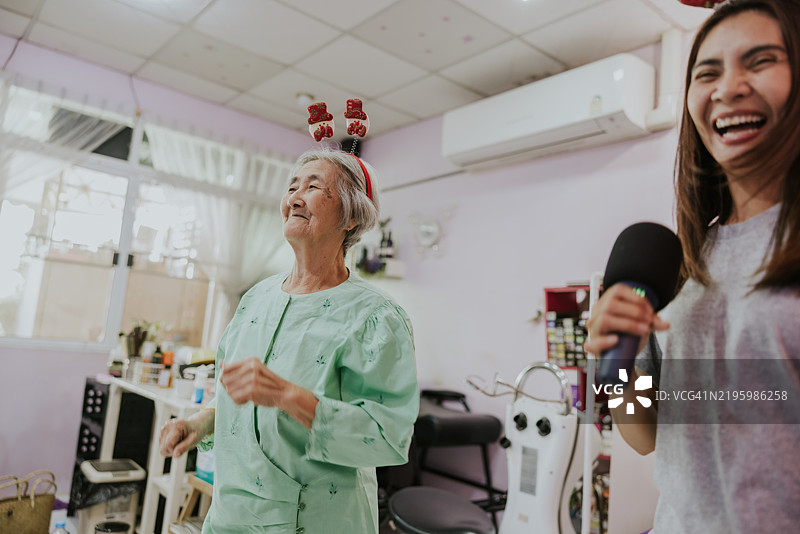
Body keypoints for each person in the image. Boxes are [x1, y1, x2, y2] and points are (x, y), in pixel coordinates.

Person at [585, 0, 800, 531]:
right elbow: (644, 436)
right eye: (709, 71)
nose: (728, 87)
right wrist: (619, 366)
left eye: (760, 61)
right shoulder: (684, 261)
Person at [159, 148, 419, 533]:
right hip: (231, 515)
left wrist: (289, 397)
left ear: (349, 216)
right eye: (292, 186)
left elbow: (388, 437)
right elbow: (233, 394)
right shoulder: (256, 299)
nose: (294, 197)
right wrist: (200, 424)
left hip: (314, 519)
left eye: (314, 187)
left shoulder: (375, 316)